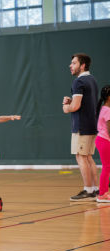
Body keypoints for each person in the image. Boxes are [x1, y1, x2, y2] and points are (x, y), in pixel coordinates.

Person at [63, 53, 99, 202]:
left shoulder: (78, 82)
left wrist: (66, 106)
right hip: (92, 124)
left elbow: (75, 106)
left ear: (82, 65)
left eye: (73, 63)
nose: (70, 66)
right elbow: (84, 103)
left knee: (81, 156)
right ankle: (96, 189)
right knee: (88, 157)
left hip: (82, 126)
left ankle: (88, 190)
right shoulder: (92, 80)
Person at [95, 85, 110, 203]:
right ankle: (103, 194)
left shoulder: (104, 108)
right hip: (104, 140)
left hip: (102, 140)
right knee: (107, 167)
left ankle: (104, 192)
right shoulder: (108, 110)